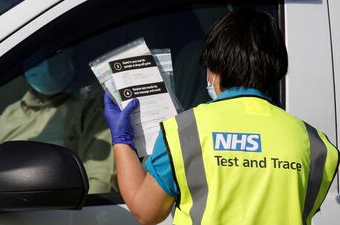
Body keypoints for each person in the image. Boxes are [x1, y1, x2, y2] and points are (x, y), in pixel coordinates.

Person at [103, 8, 340, 225]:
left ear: (213, 69)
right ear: (277, 68)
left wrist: (122, 138)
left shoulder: (183, 132)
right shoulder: (317, 145)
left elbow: (146, 211)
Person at [0, 49, 117, 194]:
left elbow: (100, 182)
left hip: (60, 213)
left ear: (70, 53)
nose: (45, 64)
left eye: (52, 52)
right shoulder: (8, 115)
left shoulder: (94, 106)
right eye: (34, 57)